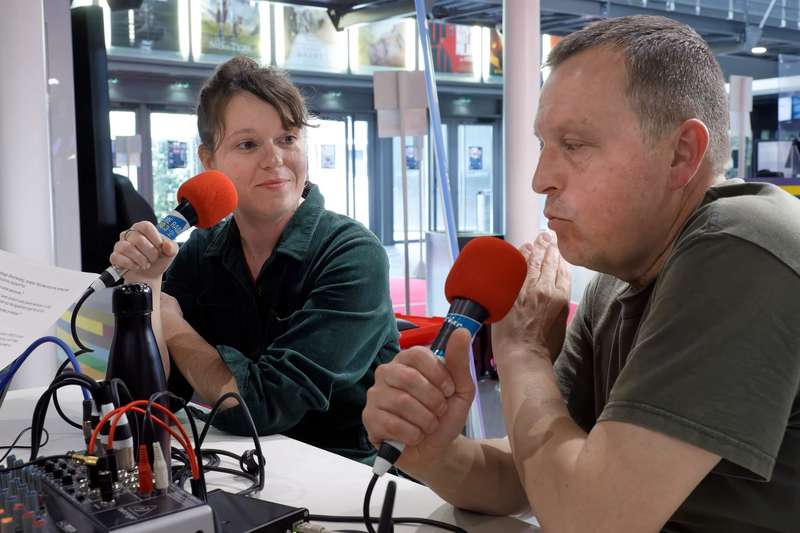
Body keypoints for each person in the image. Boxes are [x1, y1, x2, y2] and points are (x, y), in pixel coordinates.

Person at [362, 15, 800, 532]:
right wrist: (432, 450)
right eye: (544, 144)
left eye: (574, 144)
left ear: (681, 154)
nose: (539, 179)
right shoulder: (618, 279)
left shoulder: (741, 245)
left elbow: (590, 518)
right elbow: (537, 472)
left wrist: (523, 352)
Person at [111, 56, 399, 462]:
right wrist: (148, 286)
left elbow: (262, 406)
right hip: (241, 464)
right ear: (209, 162)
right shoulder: (202, 252)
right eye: (248, 144)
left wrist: (171, 322)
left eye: (287, 139)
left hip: (345, 476)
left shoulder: (352, 254)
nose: (274, 160)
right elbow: (153, 395)